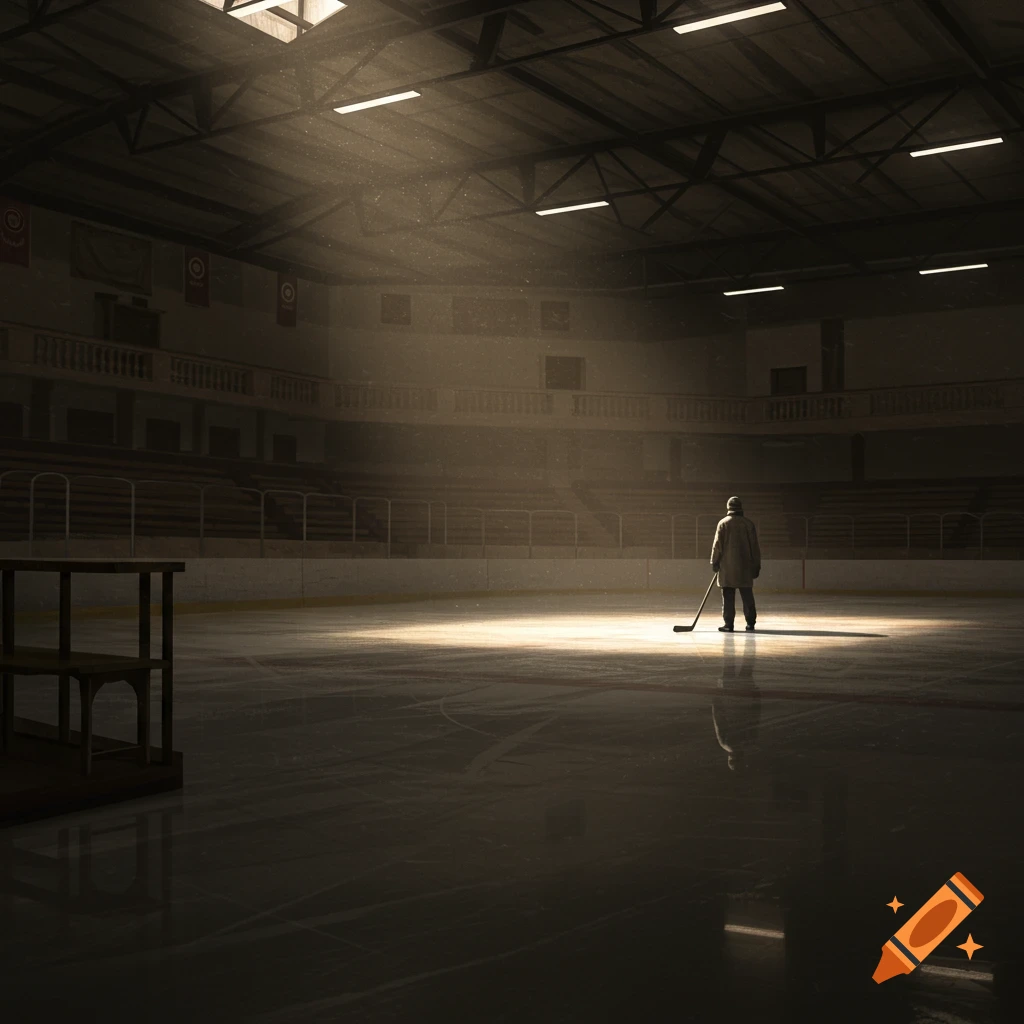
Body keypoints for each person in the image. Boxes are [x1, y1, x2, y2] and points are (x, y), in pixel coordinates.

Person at [710, 495, 761, 632]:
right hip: (745, 567)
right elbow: (755, 548)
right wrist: (756, 565)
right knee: (747, 595)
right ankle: (750, 623)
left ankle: (729, 624)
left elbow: (717, 546)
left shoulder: (723, 523)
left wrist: (714, 562)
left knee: (728, 596)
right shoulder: (748, 524)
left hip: (727, 567)